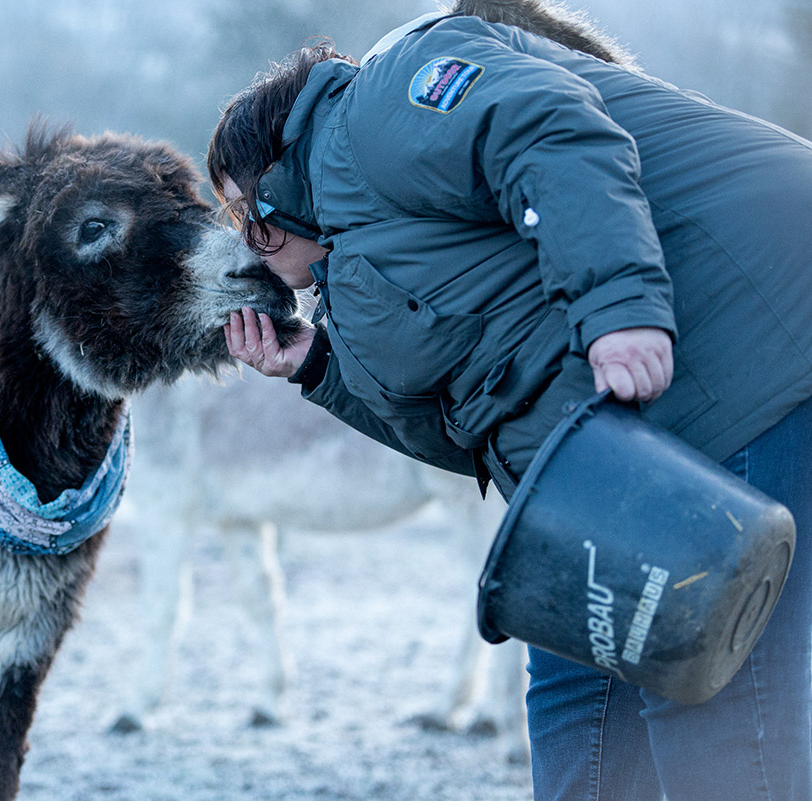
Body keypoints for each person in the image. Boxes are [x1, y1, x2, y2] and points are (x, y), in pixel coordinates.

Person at [208, 4, 812, 801]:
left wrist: (620, 308)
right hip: (616, 449)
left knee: (697, 683)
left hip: (747, 336)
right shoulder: (353, 273)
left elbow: (552, 130)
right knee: (571, 686)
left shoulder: (382, 107)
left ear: (277, 178)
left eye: (242, 218)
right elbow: (468, 434)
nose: (246, 245)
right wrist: (317, 368)